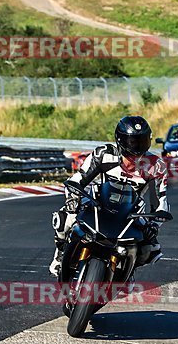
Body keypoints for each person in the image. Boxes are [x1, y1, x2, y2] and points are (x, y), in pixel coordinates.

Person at [49, 115, 170, 277]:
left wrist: (154, 225)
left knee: (151, 249)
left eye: (142, 141)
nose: (138, 148)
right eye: (133, 142)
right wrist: (73, 199)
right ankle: (60, 254)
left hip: (131, 212)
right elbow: (77, 180)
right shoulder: (103, 154)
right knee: (65, 217)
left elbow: (161, 203)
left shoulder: (156, 166)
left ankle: (128, 272)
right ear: (121, 140)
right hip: (98, 202)